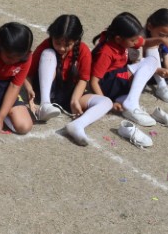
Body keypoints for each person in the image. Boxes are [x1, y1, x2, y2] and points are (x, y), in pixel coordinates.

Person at [91, 13, 168, 146]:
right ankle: (131, 103)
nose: (136, 43)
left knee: (150, 61)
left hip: (118, 83)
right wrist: (105, 102)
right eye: (133, 40)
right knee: (150, 62)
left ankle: (126, 101)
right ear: (118, 39)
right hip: (107, 84)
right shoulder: (106, 51)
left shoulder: (124, 40)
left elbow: (144, 42)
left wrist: (162, 40)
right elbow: (94, 81)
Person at [28, 15, 113, 146]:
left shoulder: (83, 50)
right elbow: (27, 74)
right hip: (48, 90)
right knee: (48, 53)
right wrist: (30, 93)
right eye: (58, 43)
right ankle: (45, 105)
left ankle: (78, 125)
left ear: (76, 40)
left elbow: (83, 79)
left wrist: (74, 101)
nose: (61, 48)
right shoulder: (46, 46)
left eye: (67, 45)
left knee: (106, 102)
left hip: (70, 93)